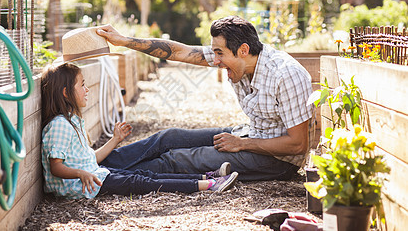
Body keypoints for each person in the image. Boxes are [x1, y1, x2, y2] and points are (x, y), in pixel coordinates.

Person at [95, 15, 315, 181]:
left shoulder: (285, 75)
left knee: (177, 159)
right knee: (168, 138)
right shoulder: (237, 57)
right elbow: (179, 52)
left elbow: (298, 145)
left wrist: (242, 144)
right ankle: (92, 163)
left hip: (277, 161)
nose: (215, 61)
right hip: (250, 135)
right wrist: (124, 41)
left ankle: (103, 177)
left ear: (243, 50)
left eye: (220, 53)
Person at [40, 62, 239, 199]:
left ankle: (206, 177)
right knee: (142, 181)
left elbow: (89, 159)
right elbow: (56, 167)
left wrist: (115, 140)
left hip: (93, 176)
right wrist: (80, 174)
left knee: (145, 174)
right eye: (82, 85)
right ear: (66, 93)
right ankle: (208, 184)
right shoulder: (59, 125)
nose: (87, 89)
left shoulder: (72, 121)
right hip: (85, 184)